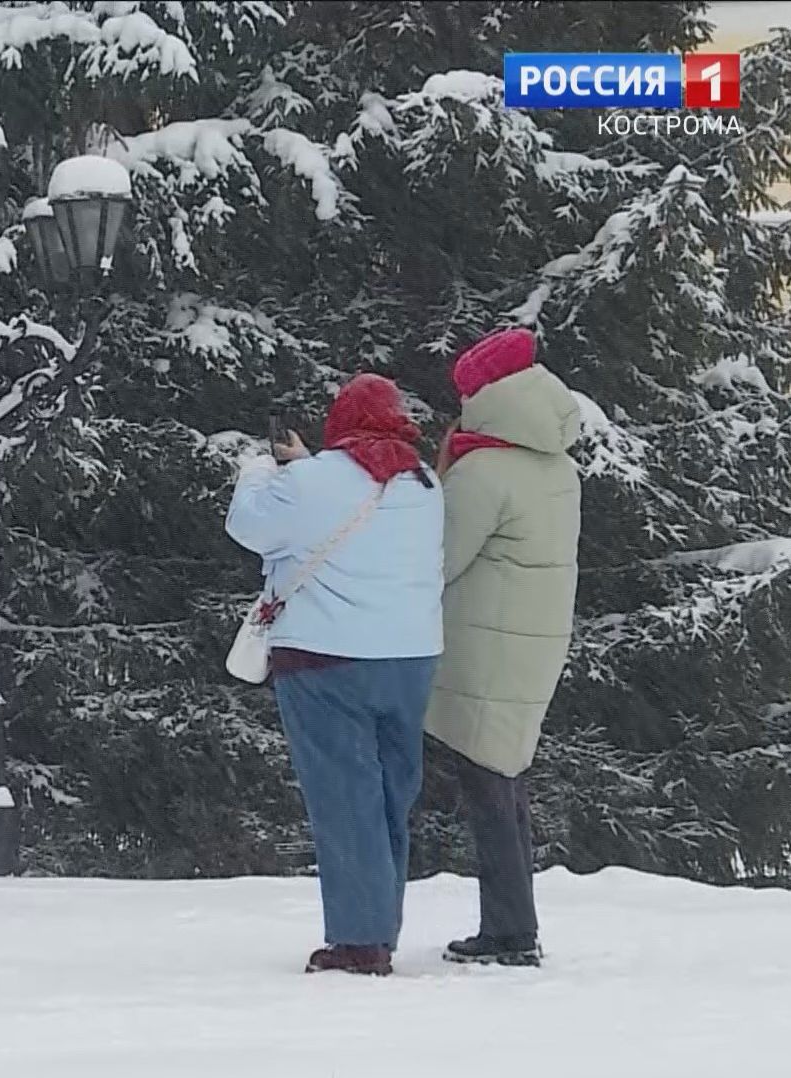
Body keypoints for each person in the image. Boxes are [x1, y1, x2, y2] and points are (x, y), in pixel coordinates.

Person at [225, 374, 445, 976]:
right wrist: (307, 468)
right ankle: (380, 922)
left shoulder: (309, 480)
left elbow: (250, 525)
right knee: (388, 796)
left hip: (327, 659)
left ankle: (360, 939)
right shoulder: (425, 484)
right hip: (410, 657)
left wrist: (263, 469)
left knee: (345, 797)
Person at [427, 327, 582, 968]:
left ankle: (511, 932)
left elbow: (437, 559)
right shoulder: (556, 464)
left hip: (485, 649)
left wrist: (440, 476)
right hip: (530, 642)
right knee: (504, 780)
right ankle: (514, 923)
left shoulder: (485, 472)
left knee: (488, 786)